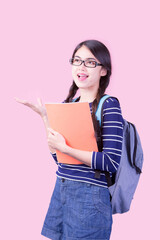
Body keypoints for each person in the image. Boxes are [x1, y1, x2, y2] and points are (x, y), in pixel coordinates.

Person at [15, 40, 124, 240]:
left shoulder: (108, 106)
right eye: (77, 60)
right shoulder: (70, 104)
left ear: (104, 71)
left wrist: (66, 149)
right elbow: (61, 160)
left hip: (90, 198)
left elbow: (110, 162)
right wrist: (45, 118)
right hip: (62, 190)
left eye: (90, 62)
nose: (81, 67)